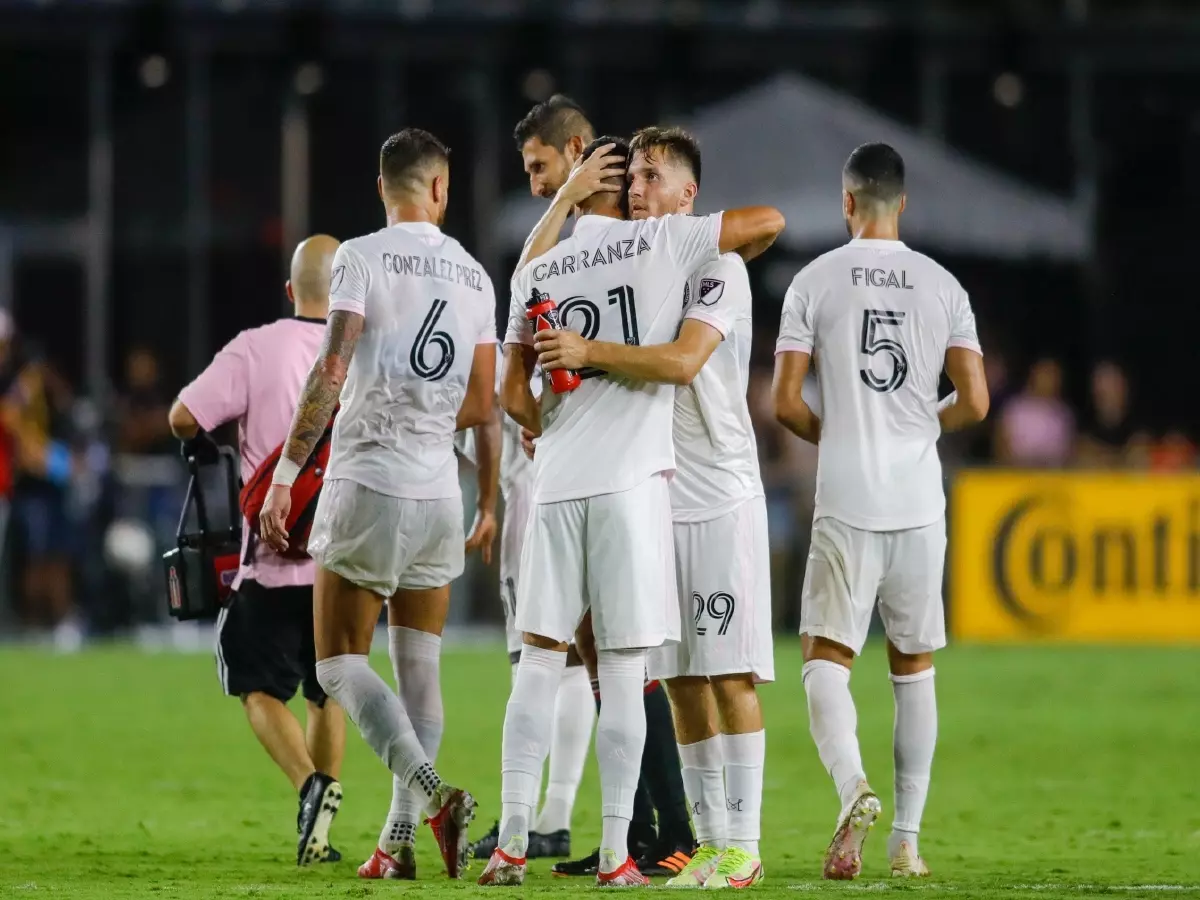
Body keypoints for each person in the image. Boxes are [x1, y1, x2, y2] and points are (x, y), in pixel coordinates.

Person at [477, 136, 784, 887]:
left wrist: (576, 373)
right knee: (665, 679)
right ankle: (693, 842)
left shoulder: (706, 264)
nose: (641, 188)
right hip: (646, 492)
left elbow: (680, 362)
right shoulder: (648, 254)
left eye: (655, 176)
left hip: (713, 495)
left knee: (723, 674)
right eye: (634, 176)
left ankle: (739, 844)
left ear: (688, 195)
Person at [258, 128, 497, 881]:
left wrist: (286, 470)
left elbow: (332, 367)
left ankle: (432, 793)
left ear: (382, 188)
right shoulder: (476, 276)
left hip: (367, 480)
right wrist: (482, 486)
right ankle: (396, 844)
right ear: (440, 188)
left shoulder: (359, 257)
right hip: (440, 493)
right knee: (420, 672)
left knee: (337, 666)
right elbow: (483, 402)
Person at [772, 142, 989, 880]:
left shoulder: (813, 280)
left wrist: (840, 436)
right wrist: (922, 425)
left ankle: (852, 787)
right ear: (903, 204)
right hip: (919, 501)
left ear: (847, 202)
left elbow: (784, 402)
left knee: (824, 656)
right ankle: (907, 842)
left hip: (847, 499)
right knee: (914, 666)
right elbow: (976, 400)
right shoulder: (943, 285)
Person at [506, 95, 696, 877]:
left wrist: (547, 421)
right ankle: (631, 843)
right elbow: (762, 224)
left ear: (580, 161)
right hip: (630, 481)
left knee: (544, 661)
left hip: (560, 479)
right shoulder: (660, 246)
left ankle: (516, 840)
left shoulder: (541, 267)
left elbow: (512, 392)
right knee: (619, 667)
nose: (647, 189)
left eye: (543, 170)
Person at [168, 234, 348, 866]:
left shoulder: (256, 347)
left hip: (270, 563)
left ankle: (309, 787)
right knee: (329, 691)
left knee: (255, 685)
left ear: (290, 289)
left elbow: (183, 415)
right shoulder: (363, 350)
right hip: (342, 561)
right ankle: (321, 829)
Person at [460, 360, 596, 864]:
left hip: (535, 515)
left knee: (534, 666)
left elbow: (475, 423)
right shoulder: (584, 348)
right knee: (579, 663)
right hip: (591, 508)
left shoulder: (501, 360)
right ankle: (554, 815)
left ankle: (522, 817)